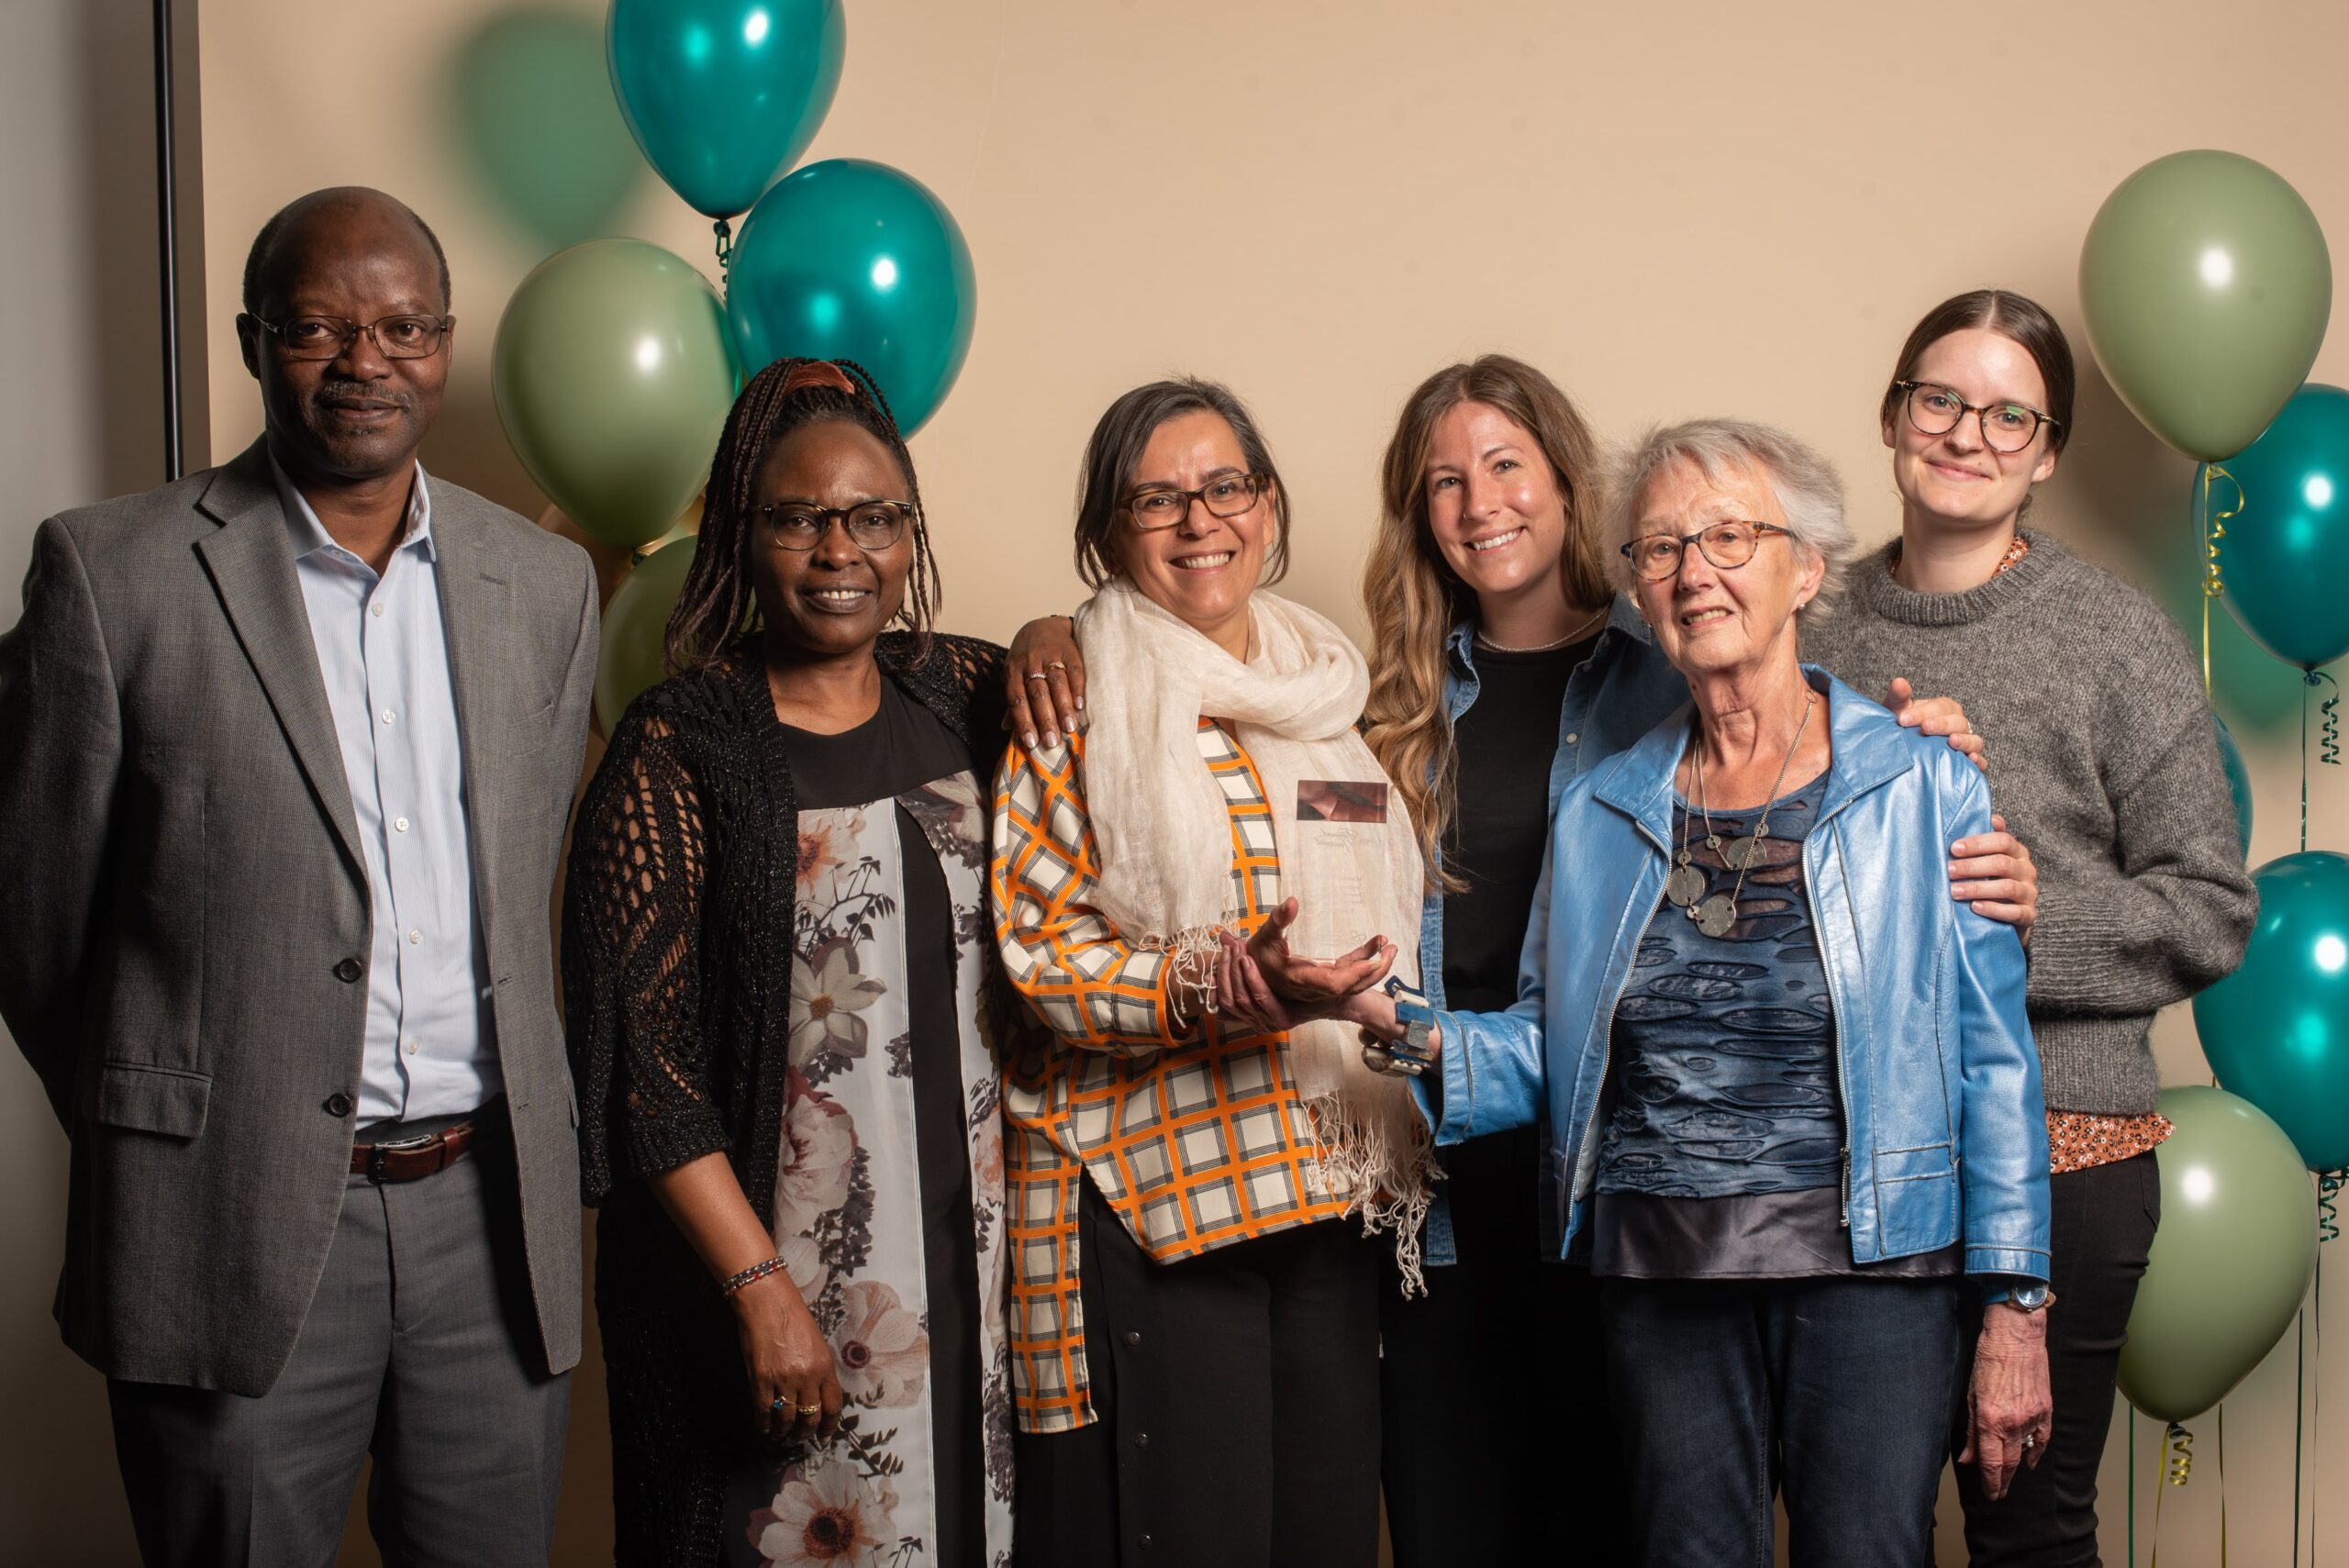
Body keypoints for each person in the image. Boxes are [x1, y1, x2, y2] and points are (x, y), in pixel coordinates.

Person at [1352, 354, 2043, 1565]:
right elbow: (1554, 1042)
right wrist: (1398, 1027)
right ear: (1641, 589)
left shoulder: (1920, 779)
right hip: (1658, 1267)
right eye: (1663, 548)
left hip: (1876, 1269)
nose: (1694, 570)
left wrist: (2016, 1304)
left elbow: (1994, 1063)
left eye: (1730, 536)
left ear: (1806, 568)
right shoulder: (1603, 807)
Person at [0, 186, 597, 1563]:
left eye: (402, 328)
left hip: (491, 1225)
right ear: (253, 342)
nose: (363, 361)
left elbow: (529, 895)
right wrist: (177, 1122)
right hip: (227, 1217)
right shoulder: (113, 574)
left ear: (444, 343)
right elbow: (35, 926)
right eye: (318, 327)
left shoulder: (542, 584)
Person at [1800, 290, 2257, 1565]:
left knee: (2026, 1532)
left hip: (2065, 1153)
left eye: (2010, 416)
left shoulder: (2112, 635)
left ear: (2047, 454)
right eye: (1940, 400)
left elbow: (2213, 908)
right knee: (1852, 1524)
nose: (1968, 434)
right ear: (1892, 416)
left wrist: (2038, 914)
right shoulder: (1812, 623)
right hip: (1853, 1151)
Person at [563, 359, 1016, 1565]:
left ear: (908, 530)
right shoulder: (678, 747)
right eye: (798, 518)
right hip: (769, 1278)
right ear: (742, 536)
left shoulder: (961, 689)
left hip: (971, 1258)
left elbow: (1081, 674)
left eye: (872, 517)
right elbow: (647, 1073)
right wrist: (760, 1292)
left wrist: (1055, 633)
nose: (838, 550)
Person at [990, 378, 1427, 1568]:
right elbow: (1042, 954)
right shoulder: (1075, 700)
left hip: (1326, 1193)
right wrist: (1211, 984)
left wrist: (1355, 990)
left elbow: (1366, 904)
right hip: (1162, 1203)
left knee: (1327, 1542)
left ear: (1268, 504)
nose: (1199, 521)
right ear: (1108, 530)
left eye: (1224, 486)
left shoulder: (1322, 697)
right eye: (1157, 499)